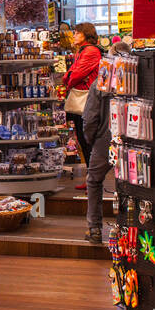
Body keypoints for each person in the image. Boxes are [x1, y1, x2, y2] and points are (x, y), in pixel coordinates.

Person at [82, 41, 130, 243]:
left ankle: (94, 228)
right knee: (129, 185)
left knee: (94, 181)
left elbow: (90, 117)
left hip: (104, 140)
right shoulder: (136, 80)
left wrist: (92, 139)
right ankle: (128, 228)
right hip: (131, 142)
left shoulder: (101, 82)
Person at [61, 22, 102, 168]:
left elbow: (75, 74)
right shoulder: (82, 51)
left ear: (86, 34)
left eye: (77, 33)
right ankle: (90, 178)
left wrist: (68, 78)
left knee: (87, 138)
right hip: (83, 98)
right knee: (83, 138)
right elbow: (72, 72)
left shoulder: (90, 51)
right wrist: (69, 76)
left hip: (87, 98)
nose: (74, 35)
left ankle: (93, 180)